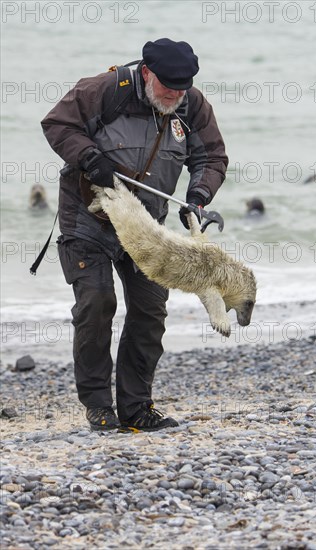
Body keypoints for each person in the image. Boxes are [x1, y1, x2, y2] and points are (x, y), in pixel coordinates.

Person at [41, 38, 228, 432]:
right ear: (147, 72)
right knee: (96, 303)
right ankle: (97, 405)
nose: (175, 95)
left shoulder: (192, 104)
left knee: (150, 311)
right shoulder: (104, 91)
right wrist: (90, 159)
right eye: (168, 87)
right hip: (88, 218)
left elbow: (211, 157)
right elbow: (57, 124)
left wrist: (197, 196)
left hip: (147, 227)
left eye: (183, 87)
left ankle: (137, 408)